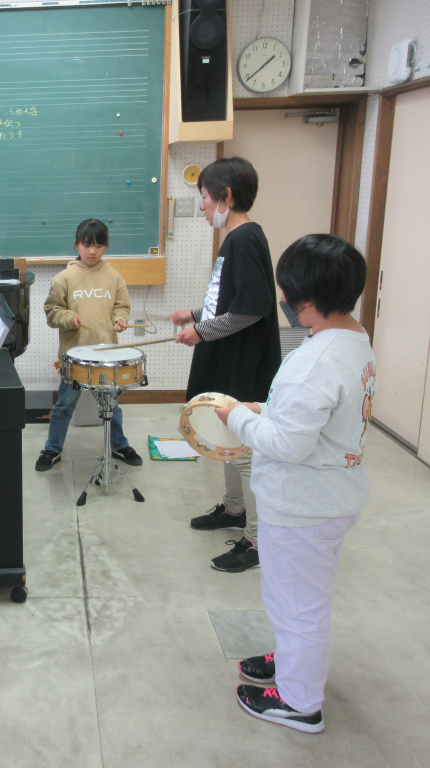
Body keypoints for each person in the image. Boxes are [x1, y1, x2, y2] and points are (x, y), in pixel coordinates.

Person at [215, 233, 376, 733]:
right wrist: (267, 409)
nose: (282, 298)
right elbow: (315, 415)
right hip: (332, 497)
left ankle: (299, 702)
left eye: (286, 290)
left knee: (298, 605)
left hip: (302, 506)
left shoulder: (313, 362)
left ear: (306, 299)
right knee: (299, 598)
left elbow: (287, 444)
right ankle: (291, 662)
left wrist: (237, 416)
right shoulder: (353, 339)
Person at [167, 156, 281, 572]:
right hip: (229, 355)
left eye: (204, 196)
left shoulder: (245, 239)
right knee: (228, 440)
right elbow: (228, 302)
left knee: (244, 448)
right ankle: (234, 510)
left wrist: (202, 332)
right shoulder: (236, 239)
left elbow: (251, 310)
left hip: (244, 362)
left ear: (225, 196)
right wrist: (195, 315)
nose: (201, 205)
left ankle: (258, 542)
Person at [36, 218, 142, 471]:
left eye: (99, 245)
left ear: (106, 246)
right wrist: (67, 317)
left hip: (106, 356)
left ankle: (119, 444)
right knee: (64, 405)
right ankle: (52, 448)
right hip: (74, 357)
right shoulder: (63, 278)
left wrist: (120, 319)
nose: (92, 251)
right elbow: (52, 311)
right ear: (77, 245)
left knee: (111, 405)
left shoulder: (114, 277)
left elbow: (121, 306)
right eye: (87, 245)